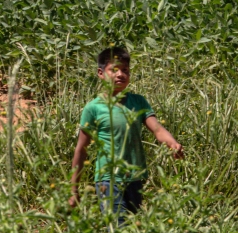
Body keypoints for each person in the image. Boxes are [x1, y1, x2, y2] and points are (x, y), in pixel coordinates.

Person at [69, 46, 183, 218]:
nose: (120, 74)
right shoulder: (93, 108)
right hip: (108, 179)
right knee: (118, 229)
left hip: (135, 178)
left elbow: (157, 129)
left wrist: (172, 143)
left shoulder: (138, 101)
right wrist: (73, 189)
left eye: (125, 70)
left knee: (133, 230)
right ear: (100, 73)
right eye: (114, 70)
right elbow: (81, 149)